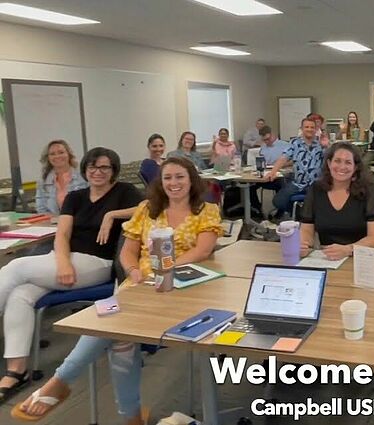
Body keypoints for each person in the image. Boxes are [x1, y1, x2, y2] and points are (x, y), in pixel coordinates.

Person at [13, 156, 221, 424]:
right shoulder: (148, 208)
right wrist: (134, 272)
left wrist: (164, 269)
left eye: (180, 176)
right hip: (138, 288)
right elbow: (128, 251)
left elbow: (203, 250)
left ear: (192, 179)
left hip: (184, 288)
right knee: (112, 330)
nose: (173, 183)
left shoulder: (206, 210)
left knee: (115, 332)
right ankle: (128, 416)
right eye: (167, 177)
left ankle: (63, 382)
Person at [0, 147, 143, 404]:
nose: (97, 172)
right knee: (20, 294)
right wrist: (64, 263)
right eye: (92, 167)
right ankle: (16, 370)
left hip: (97, 263)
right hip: (63, 262)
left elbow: (149, 206)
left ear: (114, 171)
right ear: (85, 169)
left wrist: (112, 214)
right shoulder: (76, 197)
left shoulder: (124, 191)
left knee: (15, 268)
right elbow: (62, 234)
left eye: (104, 167)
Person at [299, 143, 374, 260]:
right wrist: (304, 245)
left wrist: (348, 249)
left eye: (348, 162)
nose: (342, 166)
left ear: (355, 168)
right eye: (337, 161)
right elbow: (306, 229)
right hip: (328, 258)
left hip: (361, 258)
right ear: (329, 163)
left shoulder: (371, 192)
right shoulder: (316, 189)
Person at [265, 118, 326, 218]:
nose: (309, 129)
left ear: (316, 129)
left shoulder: (321, 144)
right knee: (278, 201)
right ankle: (299, 212)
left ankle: (306, 214)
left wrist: (326, 146)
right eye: (307, 127)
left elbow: (330, 160)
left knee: (323, 203)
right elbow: (284, 157)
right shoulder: (295, 143)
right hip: (298, 183)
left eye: (312, 127)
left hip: (316, 184)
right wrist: (273, 172)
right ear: (302, 128)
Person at [35, 140, 87, 216]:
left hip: (81, 222)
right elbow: (41, 209)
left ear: (69, 154)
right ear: (48, 158)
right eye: (52, 154)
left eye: (61, 152)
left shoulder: (84, 176)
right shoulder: (43, 181)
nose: (57, 156)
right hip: (54, 224)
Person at [249, 125, 291, 210]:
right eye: (264, 140)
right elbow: (262, 160)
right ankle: (257, 209)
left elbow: (293, 161)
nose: (266, 142)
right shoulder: (263, 147)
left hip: (279, 175)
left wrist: (280, 165)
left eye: (268, 139)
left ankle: (281, 210)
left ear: (273, 135)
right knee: (250, 186)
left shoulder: (285, 145)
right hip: (266, 173)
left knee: (281, 184)